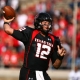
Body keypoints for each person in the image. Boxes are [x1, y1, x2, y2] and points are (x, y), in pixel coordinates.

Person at [3, 12, 66, 80]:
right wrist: (6, 22)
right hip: (29, 72)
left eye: (48, 23)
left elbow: (56, 66)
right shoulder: (30, 33)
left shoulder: (54, 39)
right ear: (38, 22)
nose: (47, 25)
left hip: (43, 74)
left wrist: (60, 57)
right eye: (44, 23)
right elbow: (8, 30)